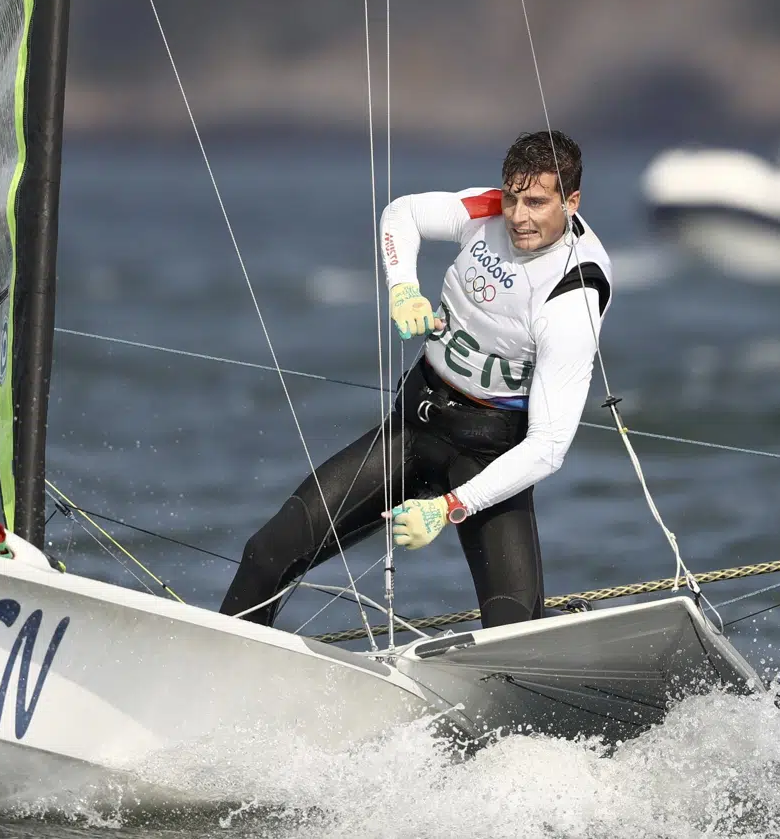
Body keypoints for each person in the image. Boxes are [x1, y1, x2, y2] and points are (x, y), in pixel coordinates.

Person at [219, 131, 611, 629]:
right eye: (512, 197)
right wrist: (404, 290)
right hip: (416, 423)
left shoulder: (574, 295)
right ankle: (211, 676)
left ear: (571, 202)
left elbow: (550, 446)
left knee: (513, 630)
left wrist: (447, 507)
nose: (518, 216)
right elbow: (401, 214)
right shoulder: (487, 210)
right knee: (267, 553)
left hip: (488, 456)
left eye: (536, 202)